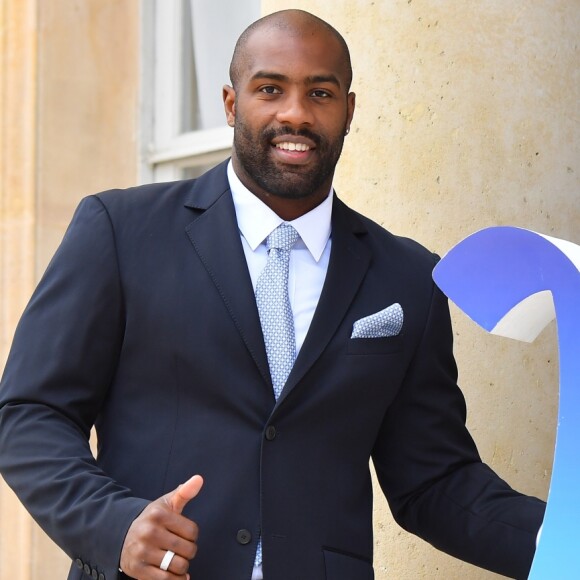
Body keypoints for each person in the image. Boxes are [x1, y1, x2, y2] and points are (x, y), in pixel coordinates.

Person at [0, 9, 545, 580]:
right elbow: (31, 414)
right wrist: (113, 526)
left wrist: (564, 544)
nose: (296, 113)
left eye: (320, 92)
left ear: (349, 111)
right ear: (232, 104)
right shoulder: (120, 231)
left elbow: (436, 483)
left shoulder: (406, 277)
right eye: (270, 89)